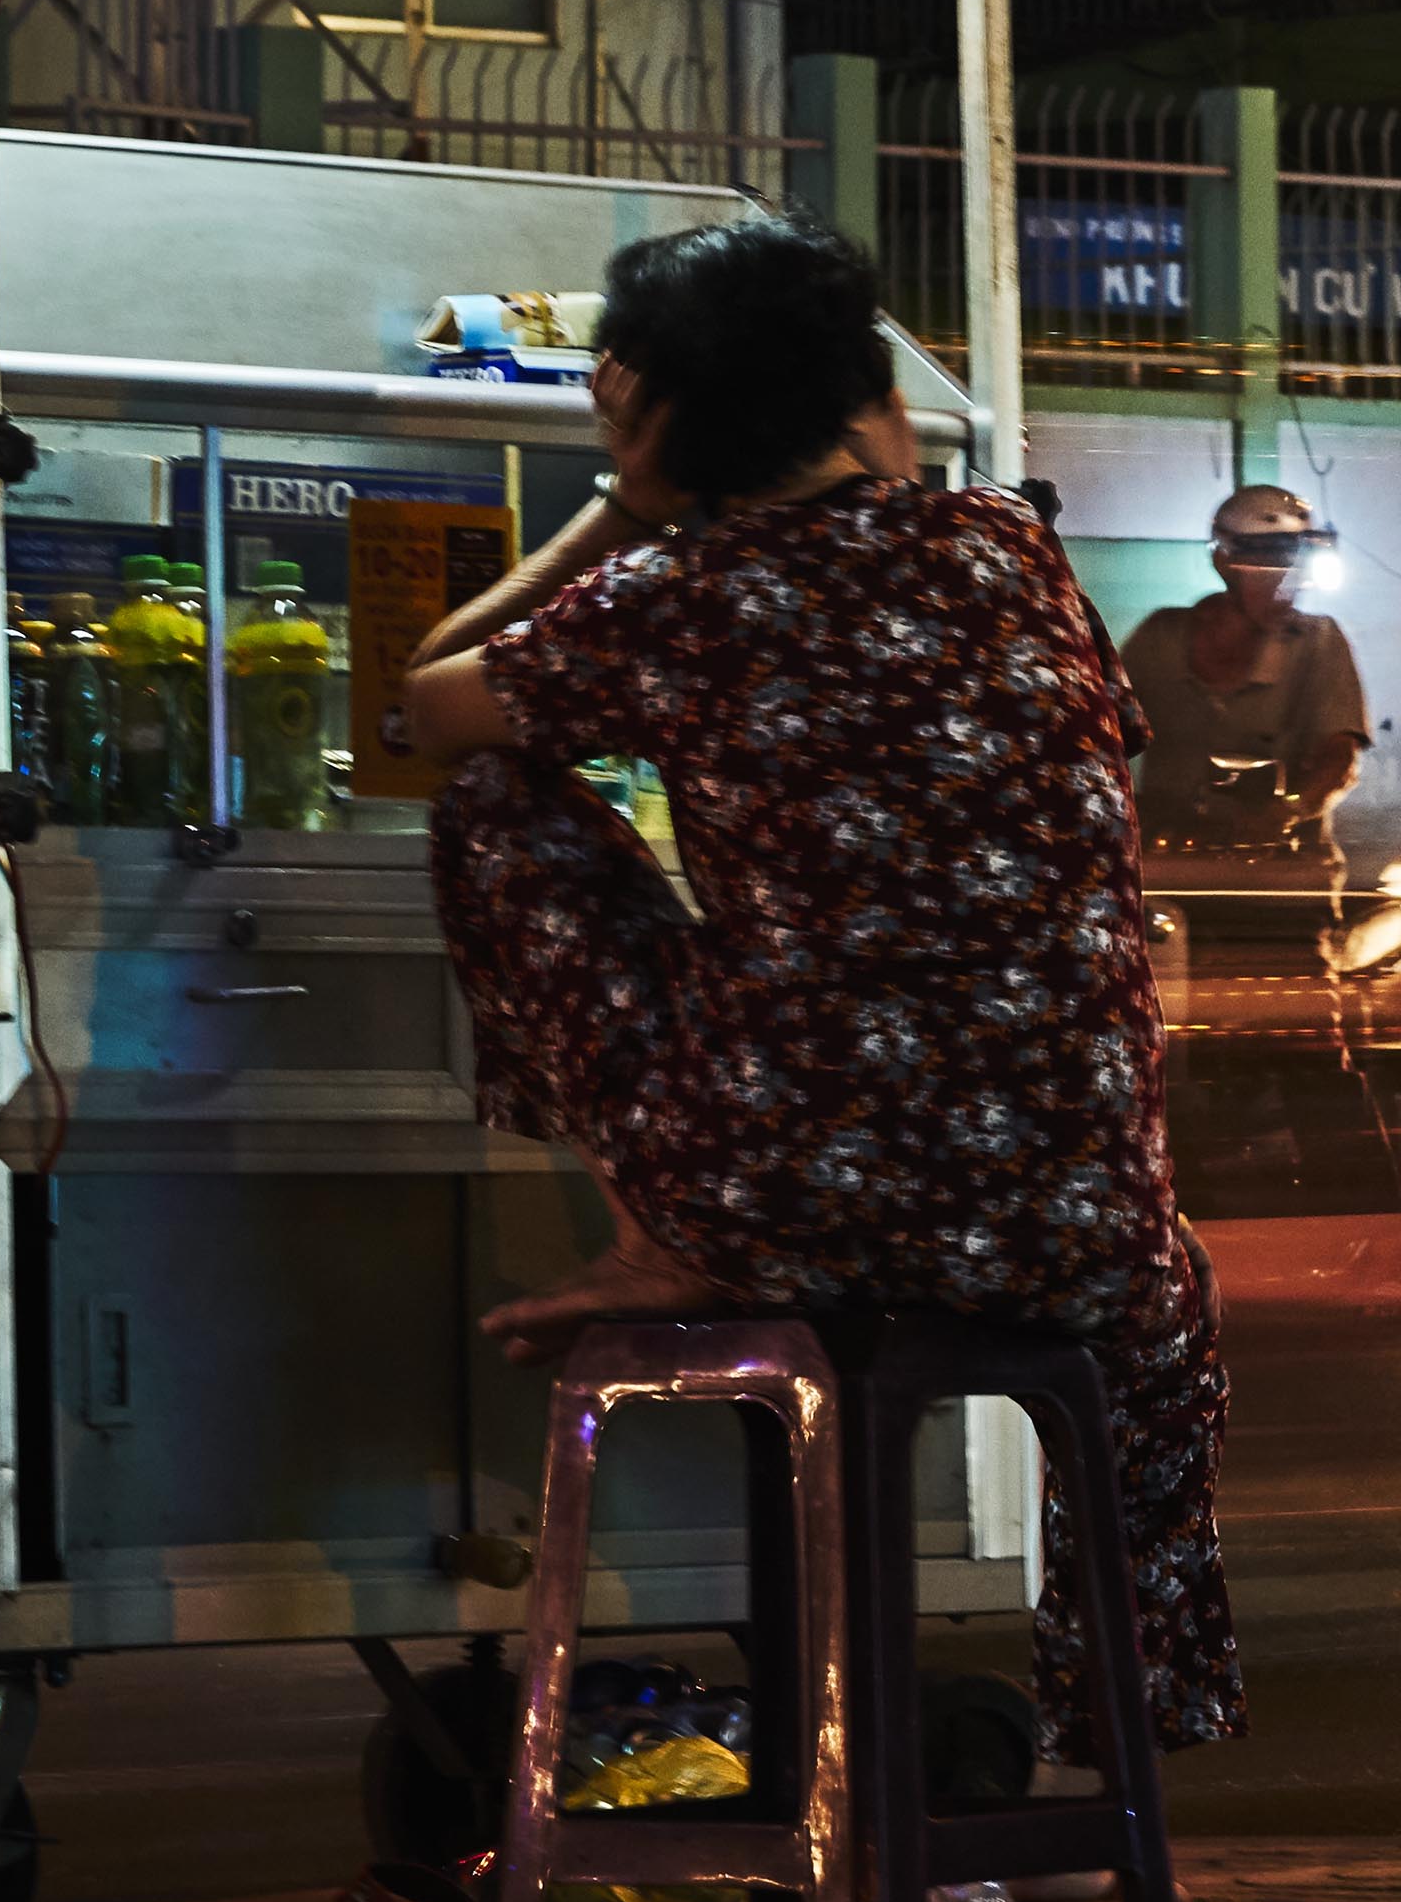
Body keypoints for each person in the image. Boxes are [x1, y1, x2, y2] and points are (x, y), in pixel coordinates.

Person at [398, 215, 1239, 1758]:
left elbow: (431, 705)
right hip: (1083, 1223)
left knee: (499, 811)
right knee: (1164, 1309)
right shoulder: (1014, 551)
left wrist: (615, 505)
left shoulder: (688, 588)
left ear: (647, 403)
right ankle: (1111, 1755)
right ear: (861, 393)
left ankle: (662, 1235)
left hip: (799, 1202)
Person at [1119, 486, 1369, 868]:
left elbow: (1340, 757)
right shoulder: (1160, 638)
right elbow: (1101, 734)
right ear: (1224, 562)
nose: (1287, 582)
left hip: (1290, 874)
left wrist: (1287, 812)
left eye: (1296, 564)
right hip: (1169, 867)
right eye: (1269, 564)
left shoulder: (1318, 642)